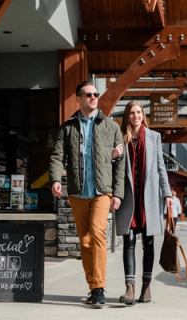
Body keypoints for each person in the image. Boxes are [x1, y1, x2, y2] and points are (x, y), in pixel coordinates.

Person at [49, 81, 125, 308]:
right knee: (84, 241)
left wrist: (117, 193)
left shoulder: (111, 126)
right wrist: (54, 179)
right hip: (78, 192)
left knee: (97, 233)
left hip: (102, 191)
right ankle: (93, 286)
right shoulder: (67, 128)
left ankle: (99, 287)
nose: (93, 98)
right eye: (88, 94)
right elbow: (56, 156)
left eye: (95, 94)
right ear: (79, 99)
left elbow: (120, 163)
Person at [112, 100, 172, 305]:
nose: (135, 116)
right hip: (128, 197)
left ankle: (146, 286)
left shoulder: (155, 137)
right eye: (132, 113)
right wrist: (113, 156)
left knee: (148, 243)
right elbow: (112, 166)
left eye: (139, 112)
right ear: (127, 116)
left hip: (149, 199)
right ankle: (130, 288)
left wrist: (168, 193)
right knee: (128, 242)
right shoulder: (120, 137)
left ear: (143, 115)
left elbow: (161, 167)